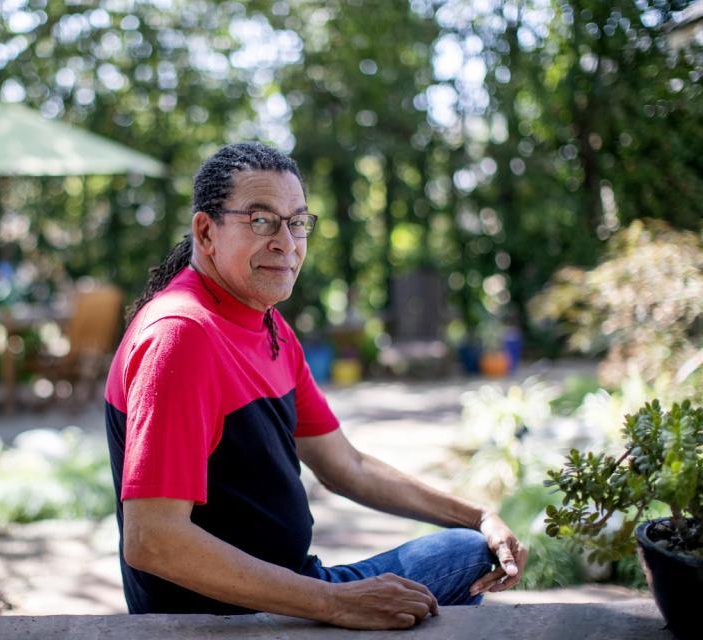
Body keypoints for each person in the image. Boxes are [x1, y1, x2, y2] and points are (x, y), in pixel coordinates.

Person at [104, 142, 527, 630]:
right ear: (206, 231)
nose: (286, 241)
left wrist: (478, 517)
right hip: (226, 623)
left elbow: (346, 465)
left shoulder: (267, 325)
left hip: (293, 592)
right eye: (261, 221)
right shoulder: (182, 334)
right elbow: (153, 538)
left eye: (297, 222)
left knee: (470, 550)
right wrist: (337, 602)